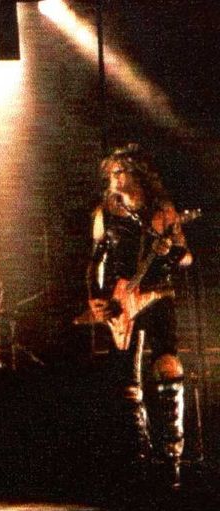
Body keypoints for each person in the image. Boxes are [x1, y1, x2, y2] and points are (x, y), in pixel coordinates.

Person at [86, 143, 192, 490]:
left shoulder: (162, 212)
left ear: (138, 173)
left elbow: (186, 256)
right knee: (128, 382)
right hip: (122, 300)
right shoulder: (105, 212)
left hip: (157, 292)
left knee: (167, 364)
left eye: (121, 172)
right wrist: (96, 297)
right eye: (111, 173)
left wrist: (169, 253)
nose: (114, 179)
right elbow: (95, 260)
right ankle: (139, 457)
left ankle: (172, 456)